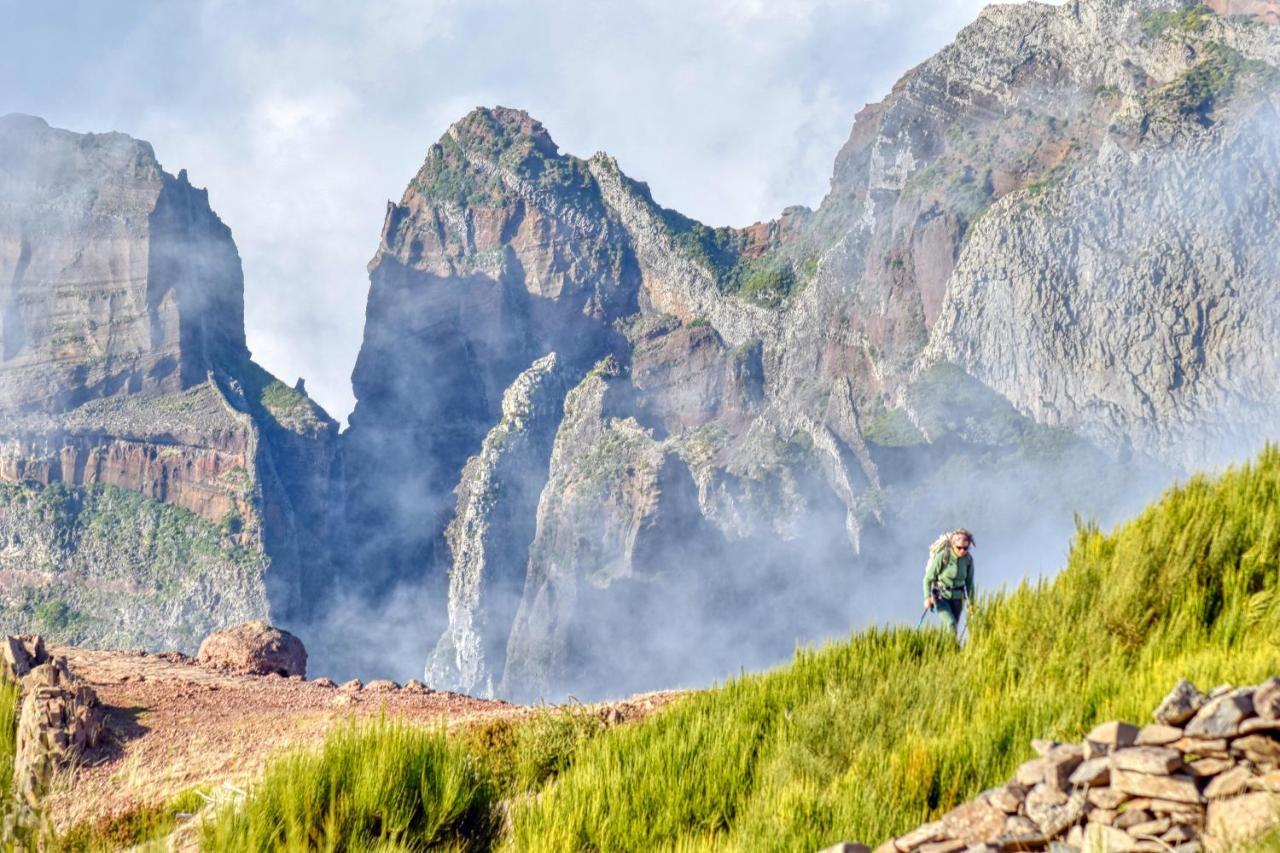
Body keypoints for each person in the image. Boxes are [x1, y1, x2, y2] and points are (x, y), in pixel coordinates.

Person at [922, 529, 975, 634]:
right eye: (959, 548)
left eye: (966, 548)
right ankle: (953, 648)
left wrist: (971, 603)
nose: (962, 551)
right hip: (941, 597)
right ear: (952, 545)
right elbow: (927, 579)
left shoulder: (968, 560)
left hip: (958, 599)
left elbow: (969, 583)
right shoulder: (943, 556)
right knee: (950, 623)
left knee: (953, 627)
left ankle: (948, 648)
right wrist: (927, 597)